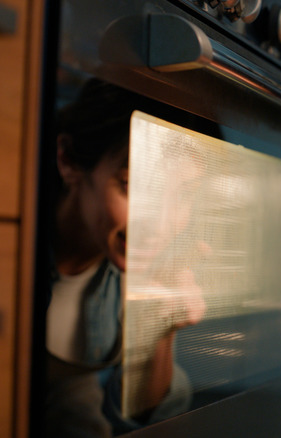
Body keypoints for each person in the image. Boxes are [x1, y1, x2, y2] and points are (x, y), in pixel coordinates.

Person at [45, 79, 208, 437]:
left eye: (183, 195)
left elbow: (147, 419)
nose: (162, 226)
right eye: (135, 186)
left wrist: (160, 329)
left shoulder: (125, 275)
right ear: (68, 160)